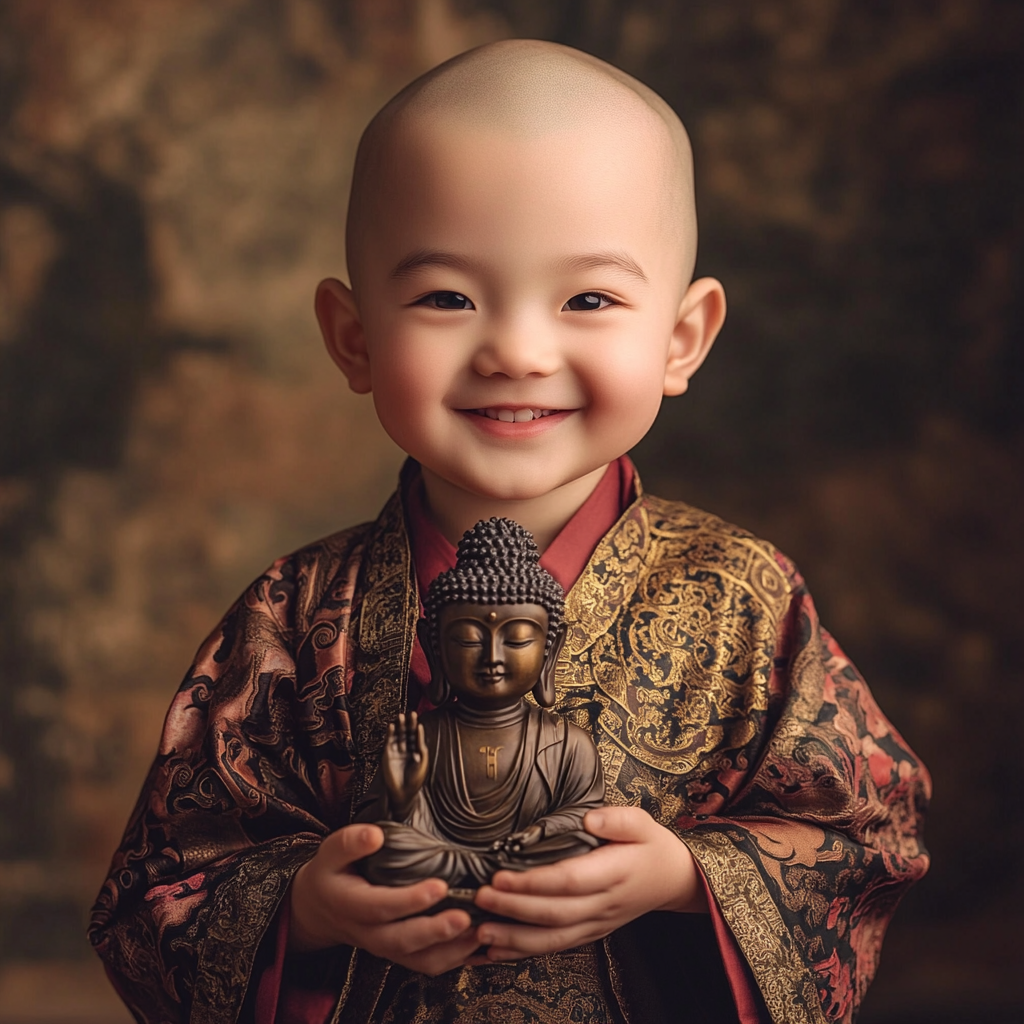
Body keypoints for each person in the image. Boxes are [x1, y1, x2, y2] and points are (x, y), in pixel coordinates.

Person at [88, 39, 930, 1024]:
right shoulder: (297, 610)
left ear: (680, 338)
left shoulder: (742, 593)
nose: (518, 351)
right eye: (447, 297)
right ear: (353, 338)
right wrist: (305, 907)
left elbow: (868, 835)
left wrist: (684, 878)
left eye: (588, 299)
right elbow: (160, 881)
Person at [355, 517, 604, 893]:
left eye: (517, 640)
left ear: (549, 650)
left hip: (525, 853)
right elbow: (378, 830)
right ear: (434, 647)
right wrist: (402, 799)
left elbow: (585, 816)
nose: (492, 657)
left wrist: (539, 831)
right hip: (447, 860)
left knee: (582, 845)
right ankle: (497, 878)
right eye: (469, 640)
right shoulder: (424, 735)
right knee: (391, 849)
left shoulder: (568, 742)